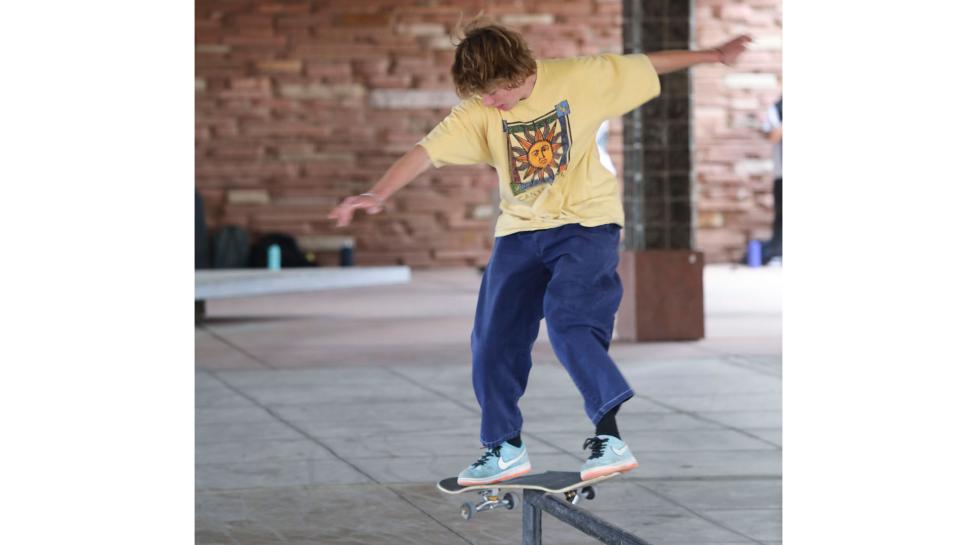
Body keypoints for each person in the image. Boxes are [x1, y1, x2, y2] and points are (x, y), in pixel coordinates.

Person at [328, 21, 750, 485]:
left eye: (494, 93)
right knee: (491, 336)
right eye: (482, 97)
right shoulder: (479, 110)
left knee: (569, 317)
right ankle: (503, 446)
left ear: (516, 73)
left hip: (587, 224)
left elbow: (648, 64)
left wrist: (714, 55)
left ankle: (608, 435)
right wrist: (377, 193)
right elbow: (425, 151)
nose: (489, 104)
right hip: (521, 230)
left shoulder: (581, 77)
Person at [762, 97, 783, 263]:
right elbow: (773, 136)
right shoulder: (777, 108)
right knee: (782, 214)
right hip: (782, 173)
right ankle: (778, 253)